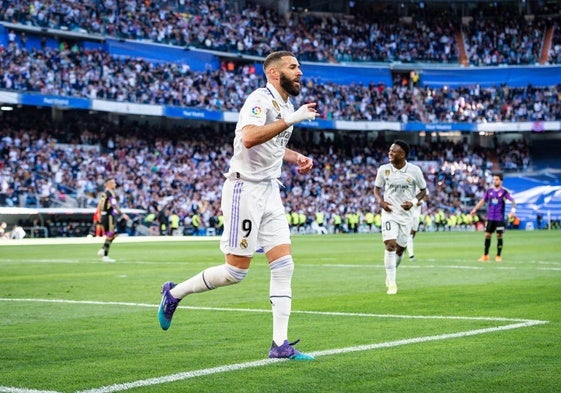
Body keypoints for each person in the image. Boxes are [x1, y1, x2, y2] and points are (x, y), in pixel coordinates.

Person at [157, 51, 318, 360]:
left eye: (299, 67)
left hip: (270, 189)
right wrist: (292, 118)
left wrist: (294, 156)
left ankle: (279, 345)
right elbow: (248, 138)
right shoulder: (259, 99)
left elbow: (273, 144)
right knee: (235, 272)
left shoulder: (284, 105)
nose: (300, 72)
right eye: (293, 67)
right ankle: (174, 293)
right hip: (244, 189)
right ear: (274, 73)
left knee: (284, 265)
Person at [374, 140, 427, 295]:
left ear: (402, 154)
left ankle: (391, 272)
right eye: (390, 150)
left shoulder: (414, 171)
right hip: (389, 213)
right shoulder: (384, 170)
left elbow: (423, 190)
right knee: (390, 245)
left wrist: (413, 202)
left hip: (406, 216)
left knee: (400, 249)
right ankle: (391, 282)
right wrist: (381, 202)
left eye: (394, 151)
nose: (390, 153)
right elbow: (377, 189)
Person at [470, 173, 516, 262]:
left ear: (501, 181)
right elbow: (483, 201)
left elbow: (513, 200)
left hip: (499, 218)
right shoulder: (489, 191)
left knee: (499, 235)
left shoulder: (504, 192)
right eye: (494, 179)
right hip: (490, 217)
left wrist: (513, 211)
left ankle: (498, 256)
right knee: (487, 235)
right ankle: (485, 255)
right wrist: (475, 209)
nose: (495, 181)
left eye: (497, 179)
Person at [96, 177, 129, 262]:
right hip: (109, 216)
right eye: (113, 183)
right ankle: (105, 256)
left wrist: (99, 213)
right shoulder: (110, 193)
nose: (115, 184)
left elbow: (100, 204)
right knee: (110, 234)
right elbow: (114, 205)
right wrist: (122, 214)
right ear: (109, 184)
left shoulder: (105, 193)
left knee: (114, 234)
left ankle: (103, 249)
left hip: (106, 215)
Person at [407, 191, 428, 261]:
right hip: (409, 214)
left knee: (413, 234)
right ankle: (411, 255)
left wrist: (421, 201)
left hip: (417, 215)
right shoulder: (410, 186)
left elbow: (426, 197)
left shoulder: (422, 185)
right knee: (409, 235)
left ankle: (405, 246)